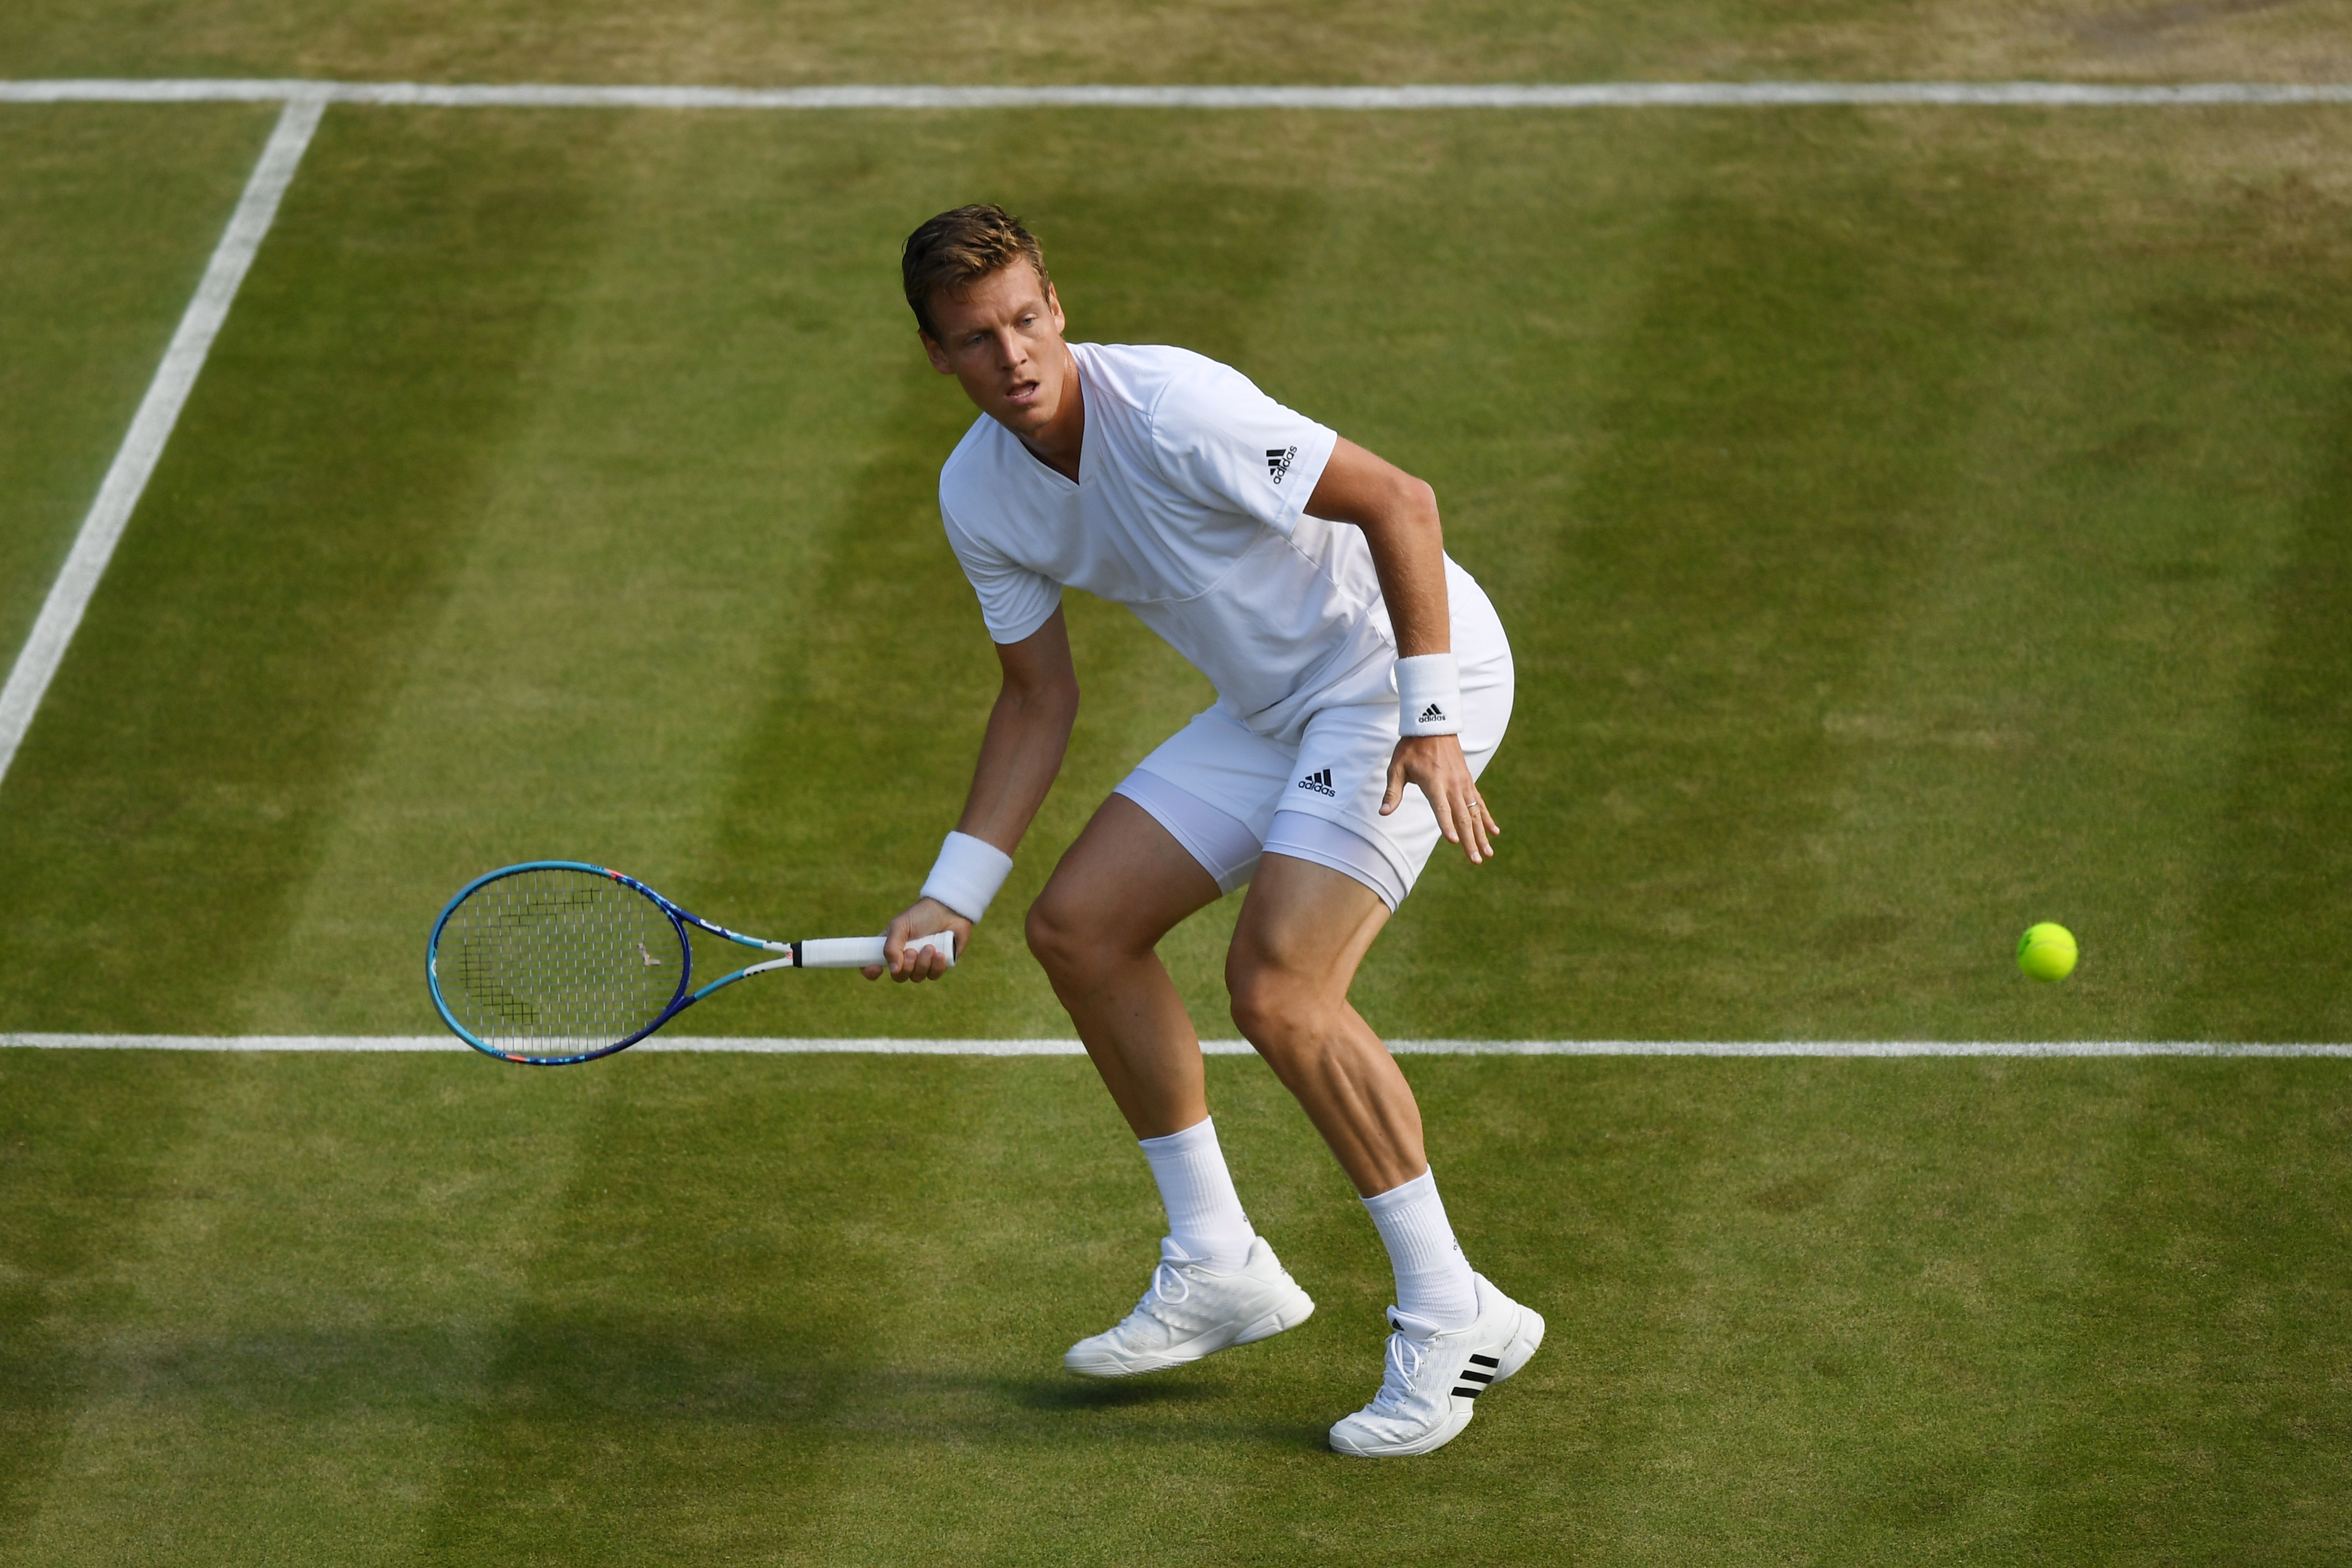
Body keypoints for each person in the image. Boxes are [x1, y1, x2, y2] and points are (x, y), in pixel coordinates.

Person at [868, 204, 1540, 1458]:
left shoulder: (1174, 408)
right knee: (1077, 930)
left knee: (1281, 988)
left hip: (1394, 676)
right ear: (938, 358)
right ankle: (1220, 1260)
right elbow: (1037, 697)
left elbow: (1402, 501)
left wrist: (1429, 719)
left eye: (1024, 320)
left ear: (1056, 307)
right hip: (1272, 707)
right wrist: (954, 892)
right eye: (975, 339)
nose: (1012, 356)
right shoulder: (980, 493)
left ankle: (1456, 1313)